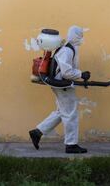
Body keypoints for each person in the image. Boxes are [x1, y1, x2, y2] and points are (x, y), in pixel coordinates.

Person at [29, 25, 91, 153]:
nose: (81, 39)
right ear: (75, 36)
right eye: (79, 36)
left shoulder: (66, 47)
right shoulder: (68, 50)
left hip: (60, 84)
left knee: (62, 111)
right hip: (62, 85)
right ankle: (71, 145)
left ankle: (37, 132)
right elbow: (67, 72)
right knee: (70, 114)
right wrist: (81, 74)